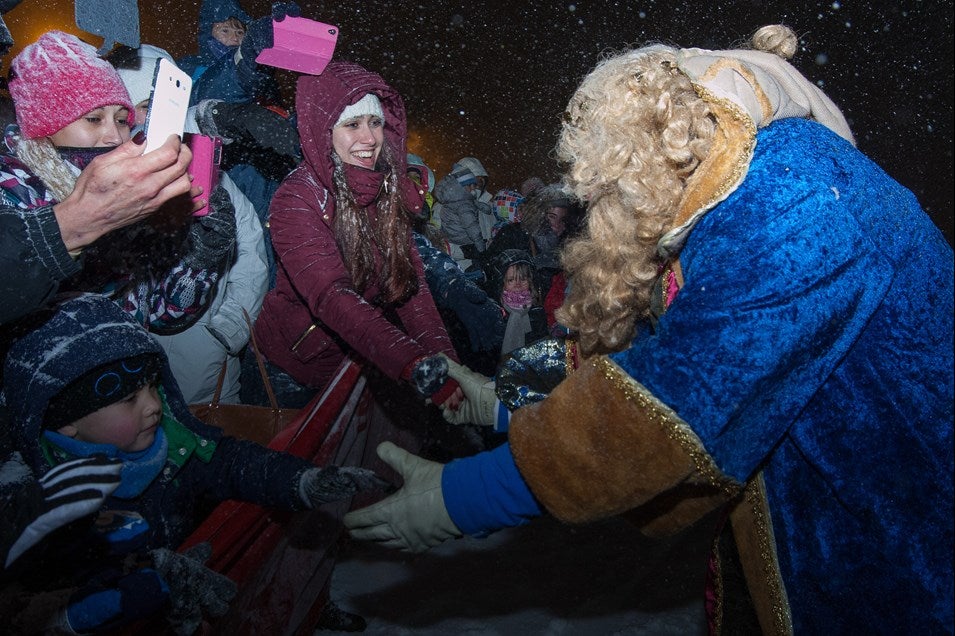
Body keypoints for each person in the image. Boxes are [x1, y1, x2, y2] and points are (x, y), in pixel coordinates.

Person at [343, 24, 955, 634]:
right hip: (814, 494)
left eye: (612, 182)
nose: (606, 202)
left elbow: (680, 396)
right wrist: (506, 402)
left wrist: (467, 496)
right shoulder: (735, 186)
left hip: (891, 525)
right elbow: (656, 343)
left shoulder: (792, 196)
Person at [0, 293, 388, 634]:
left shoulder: (175, 445)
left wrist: (299, 481)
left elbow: (233, 464)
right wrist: (139, 576)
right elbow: (43, 593)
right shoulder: (32, 506)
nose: (153, 406)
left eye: (152, 387)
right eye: (129, 399)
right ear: (66, 420)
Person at [249, 60, 462, 412]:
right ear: (324, 131)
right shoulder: (296, 198)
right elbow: (331, 295)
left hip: (357, 361)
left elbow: (410, 288)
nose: (370, 138)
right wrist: (411, 362)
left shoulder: (385, 190)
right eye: (352, 124)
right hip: (292, 371)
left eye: (375, 122)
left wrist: (447, 363)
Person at [2, 31, 233, 334]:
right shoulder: (12, 196)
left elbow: (152, 312)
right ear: (44, 124)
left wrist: (200, 258)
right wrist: (75, 226)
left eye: (122, 120)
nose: (115, 137)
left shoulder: (128, 192)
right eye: (93, 119)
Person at [113, 44, 269, 404]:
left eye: (161, 106)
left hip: (207, 375)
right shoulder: (106, 186)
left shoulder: (212, 179)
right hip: (128, 386)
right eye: (141, 108)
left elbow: (251, 255)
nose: (154, 119)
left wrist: (226, 330)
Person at [484, 248, 548, 357]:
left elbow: (541, 344)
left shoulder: (537, 311)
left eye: (523, 279)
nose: (518, 284)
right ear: (502, 282)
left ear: (530, 280)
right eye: (511, 280)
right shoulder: (495, 310)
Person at [433, 163, 490, 271]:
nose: (477, 186)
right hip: (457, 268)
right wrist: (465, 252)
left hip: (482, 268)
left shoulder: (487, 206)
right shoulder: (441, 207)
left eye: (481, 181)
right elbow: (437, 242)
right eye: (475, 181)